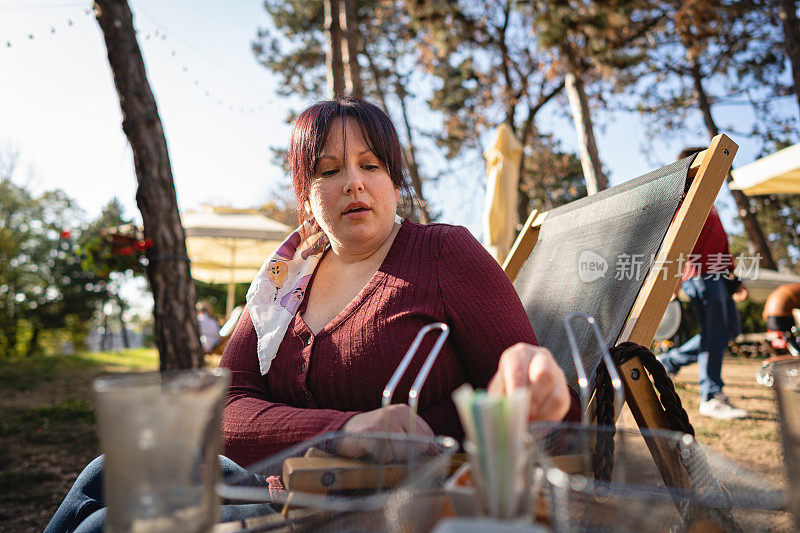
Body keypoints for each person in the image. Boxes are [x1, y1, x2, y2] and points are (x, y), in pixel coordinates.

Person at [45, 97, 575, 532]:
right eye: (329, 169)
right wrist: (348, 428)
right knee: (106, 472)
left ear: (394, 180)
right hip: (272, 489)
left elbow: (547, 408)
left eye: (372, 165)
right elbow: (224, 406)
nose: (353, 183)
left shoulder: (442, 254)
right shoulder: (288, 273)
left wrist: (533, 380)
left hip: (363, 511)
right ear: (305, 190)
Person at [658, 157, 749, 419]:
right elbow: (677, 244)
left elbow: (722, 244)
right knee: (715, 332)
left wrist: (734, 278)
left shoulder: (711, 204)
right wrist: (673, 282)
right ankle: (710, 396)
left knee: (728, 330)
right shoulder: (684, 202)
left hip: (719, 275)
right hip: (700, 275)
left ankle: (669, 362)